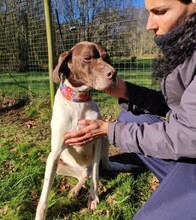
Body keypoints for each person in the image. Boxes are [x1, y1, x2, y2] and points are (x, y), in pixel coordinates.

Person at [64, 0, 196, 219]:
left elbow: (189, 134)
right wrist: (128, 92)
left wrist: (110, 131)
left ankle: (181, 194)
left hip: (190, 141)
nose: (149, 25)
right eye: (149, 13)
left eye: (160, 11)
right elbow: (182, 107)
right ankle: (180, 190)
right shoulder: (188, 49)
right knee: (129, 117)